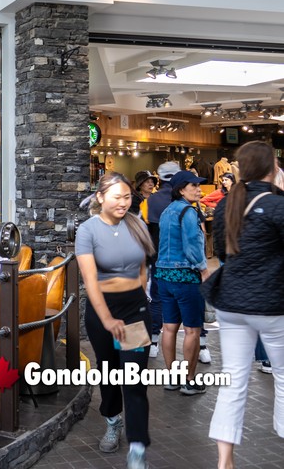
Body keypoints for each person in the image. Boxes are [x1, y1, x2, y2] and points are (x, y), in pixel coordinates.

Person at [208, 141, 284, 469]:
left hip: (231, 301)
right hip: (271, 303)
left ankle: (225, 462)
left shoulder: (228, 203)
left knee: (233, 380)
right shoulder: (278, 205)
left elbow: (224, 254)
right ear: (272, 167)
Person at [75, 172, 154, 469]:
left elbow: (143, 266)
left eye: (127, 197)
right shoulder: (88, 230)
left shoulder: (137, 225)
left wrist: (142, 297)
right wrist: (107, 318)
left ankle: (137, 446)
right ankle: (112, 420)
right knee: (108, 371)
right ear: (100, 197)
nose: (123, 202)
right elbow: (90, 280)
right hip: (101, 310)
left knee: (133, 377)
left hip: (134, 312)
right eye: (117, 197)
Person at [155, 170, 208, 395]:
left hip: (163, 276)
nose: (198, 189)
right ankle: (189, 381)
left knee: (168, 327)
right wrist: (204, 270)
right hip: (185, 276)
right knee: (192, 331)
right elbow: (192, 246)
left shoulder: (167, 211)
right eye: (193, 185)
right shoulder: (188, 211)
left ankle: (171, 378)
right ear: (181, 189)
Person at [145, 161, 179, 359]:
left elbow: (147, 231)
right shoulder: (184, 199)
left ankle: (154, 340)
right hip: (182, 259)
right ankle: (202, 345)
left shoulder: (152, 200)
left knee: (157, 298)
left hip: (157, 256)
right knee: (188, 302)